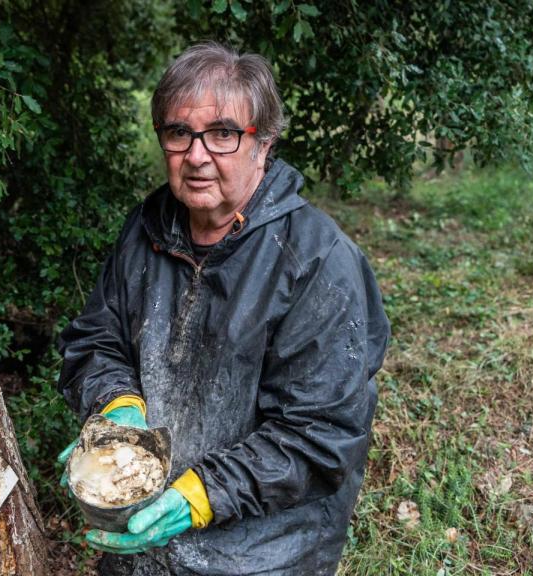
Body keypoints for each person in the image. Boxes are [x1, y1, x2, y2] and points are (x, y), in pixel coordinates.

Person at [56, 42, 390, 576]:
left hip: (263, 554)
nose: (196, 155)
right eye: (178, 133)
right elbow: (98, 338)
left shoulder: (316, 260)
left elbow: (319, 435)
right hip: (143, 531)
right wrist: (115, 408)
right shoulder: (146, 229)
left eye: (223, 134)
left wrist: (199, 495)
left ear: (264, 144)